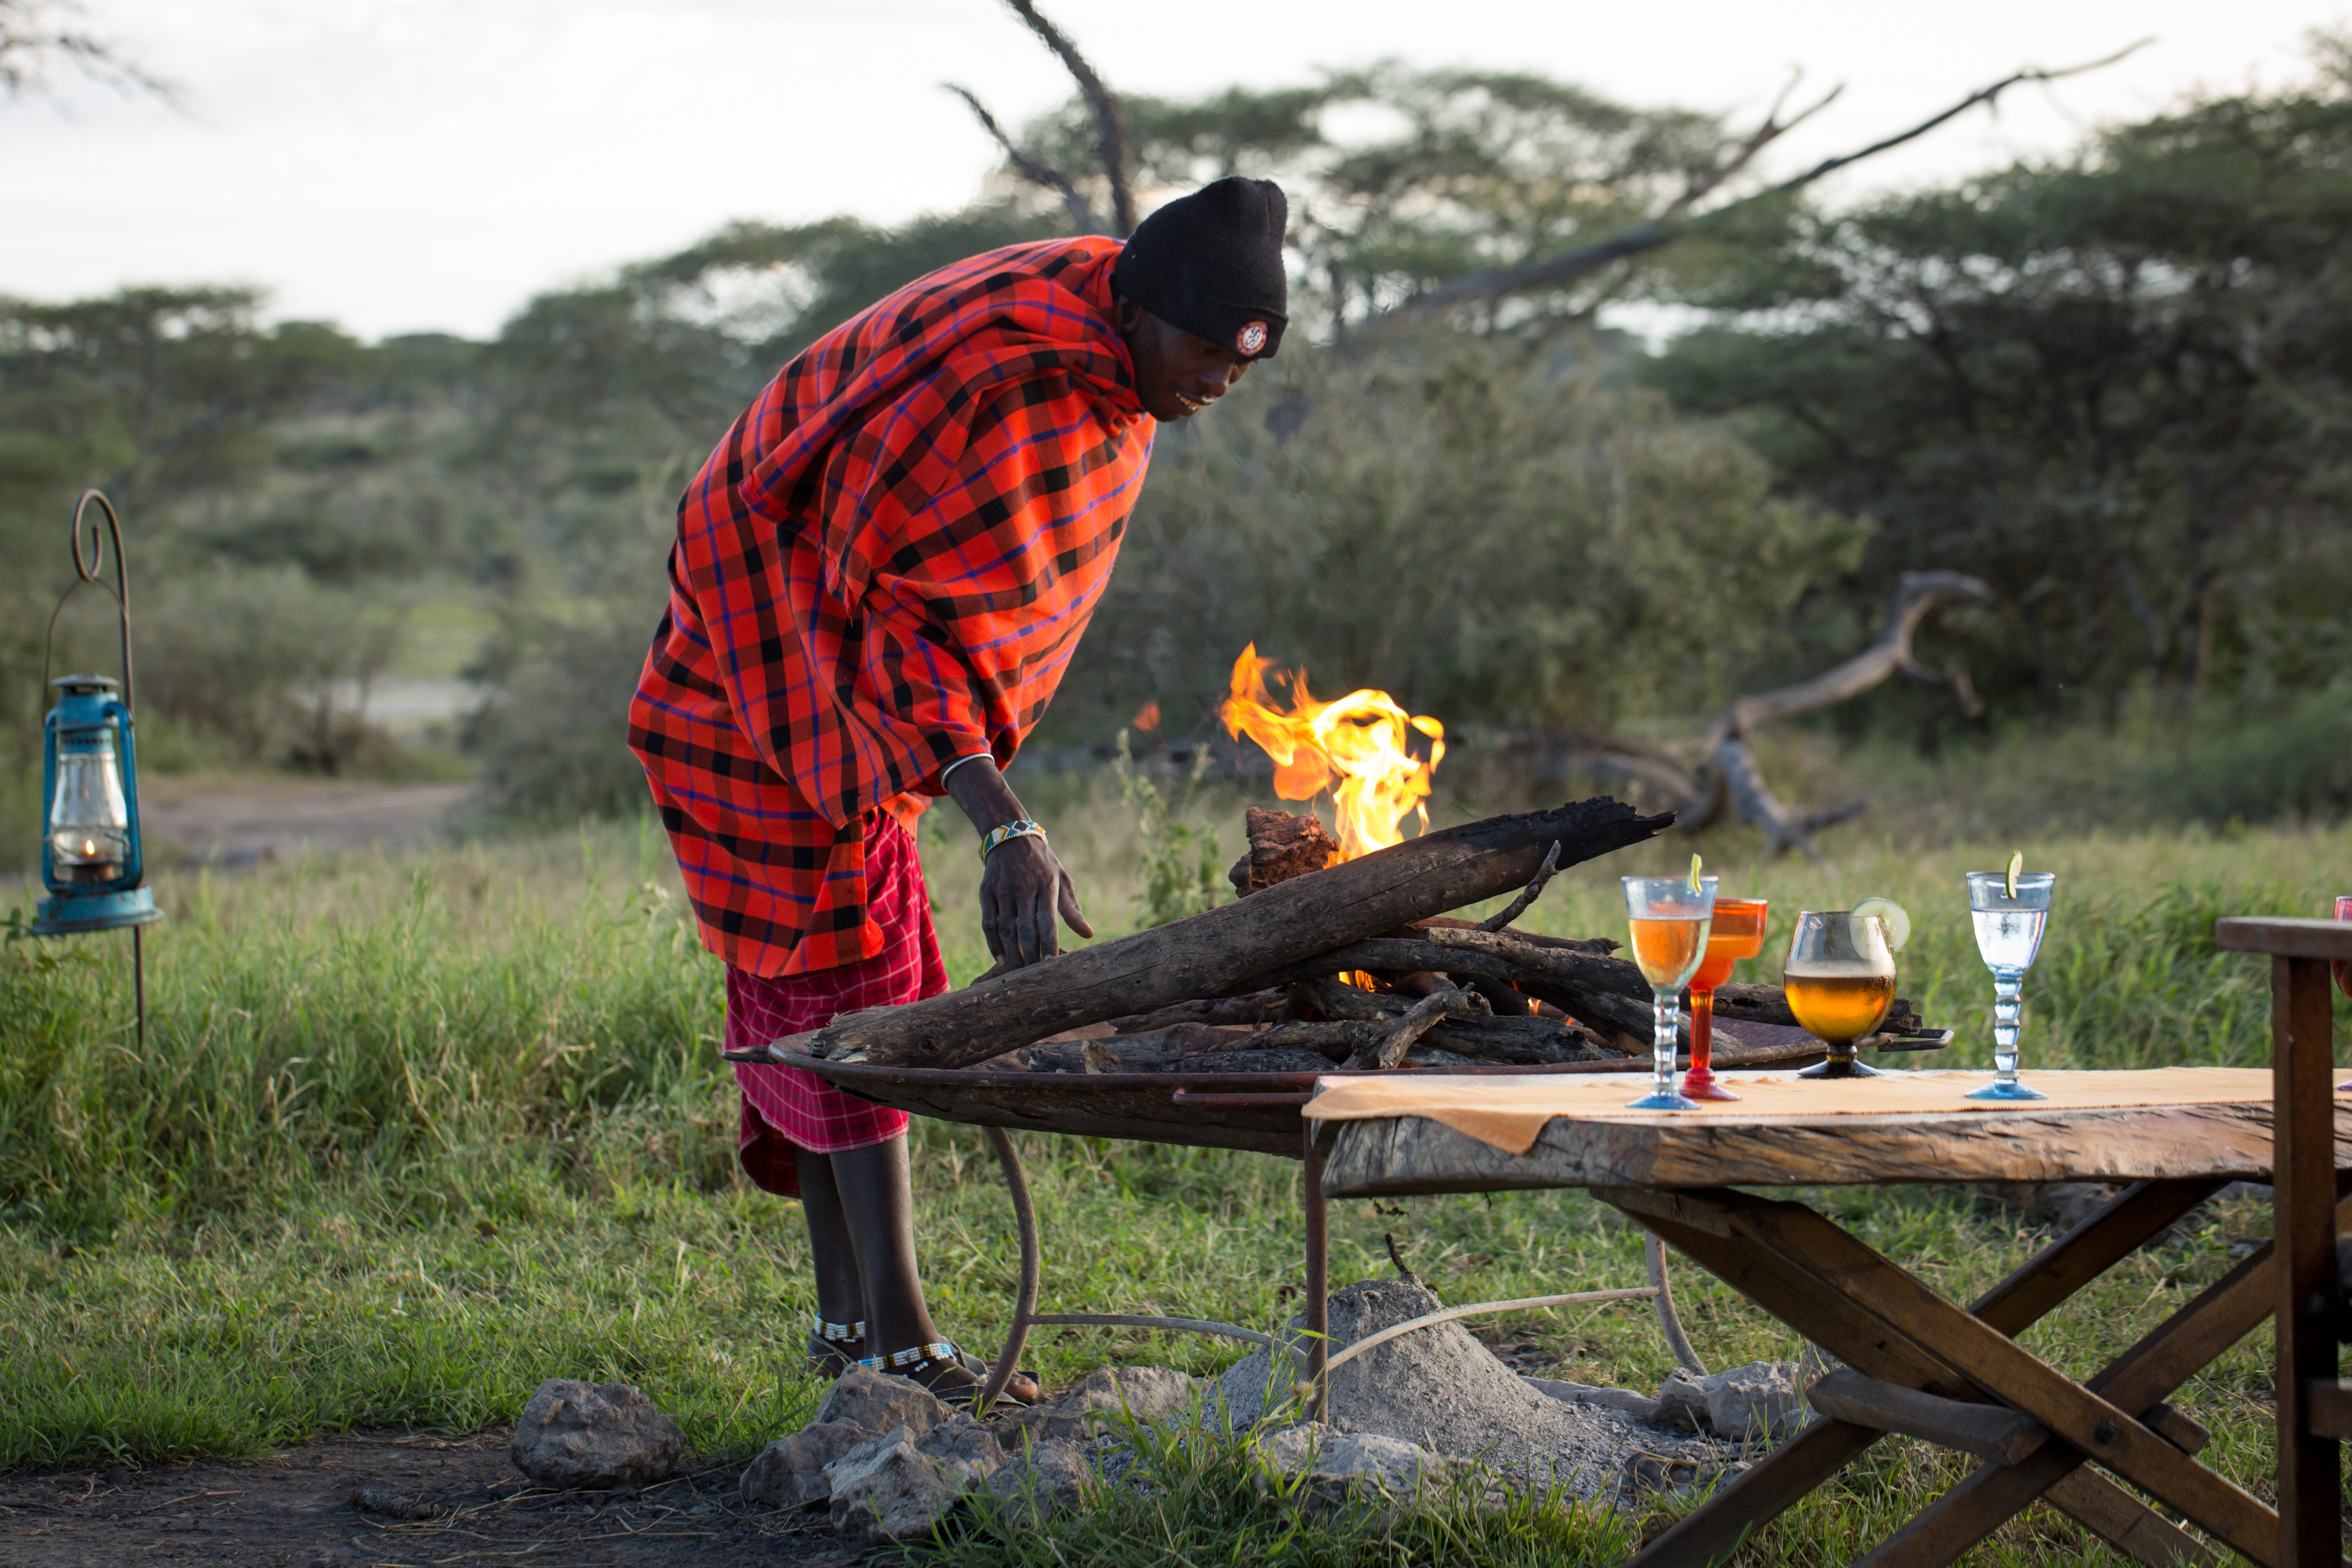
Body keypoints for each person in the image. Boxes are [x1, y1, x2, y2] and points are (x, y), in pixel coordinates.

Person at [627, 177, 1289, 1403]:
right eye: (1206, 354)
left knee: (818, 1009)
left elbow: (950, 610)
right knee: (860, 997)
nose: (1216, 384)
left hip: (809, 687)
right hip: (768, 664)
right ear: (1140, 313)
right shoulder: (1003, 382)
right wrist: (1006, 826)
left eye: (1242, 367)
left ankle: (844, 1329)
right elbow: (883, 615)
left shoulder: (1101, 336)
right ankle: (906, 1344)